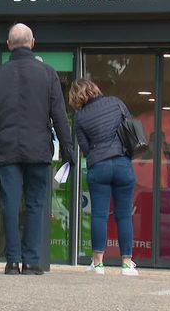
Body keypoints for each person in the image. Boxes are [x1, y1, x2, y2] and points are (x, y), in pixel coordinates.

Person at [0, 23, 73, 275]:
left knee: (9, 203)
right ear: (33, 43)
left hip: (6, 149)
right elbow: (59, 116)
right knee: (35, 203)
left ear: (8, 45)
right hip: (38, 149)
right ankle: (31, 261)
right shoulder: (48, 73)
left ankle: (12, 261)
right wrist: (68, 149)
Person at [68, 79, 138, 276]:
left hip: (99, 166)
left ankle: (98, 264)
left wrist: (99, 154)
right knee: (124, 215)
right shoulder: (115, 102)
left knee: (99, 215)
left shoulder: (80, 117)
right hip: (122, 163)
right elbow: (130, 127)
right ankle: (126, 263)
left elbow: (85, 148)